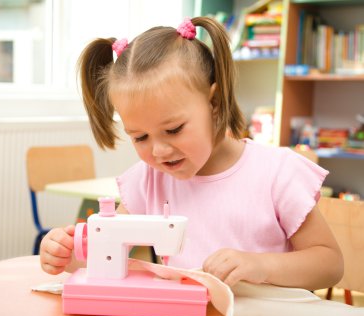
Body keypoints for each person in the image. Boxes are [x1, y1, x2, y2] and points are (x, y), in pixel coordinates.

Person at [40, 17, 343, 291]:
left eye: (173, 130)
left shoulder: (276, 174)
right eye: (140, 137)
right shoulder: (149, 180)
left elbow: (329, 265)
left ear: (213, 102)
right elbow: (104, 256)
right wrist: (65, 253)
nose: (158, 151)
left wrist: (260, 266)